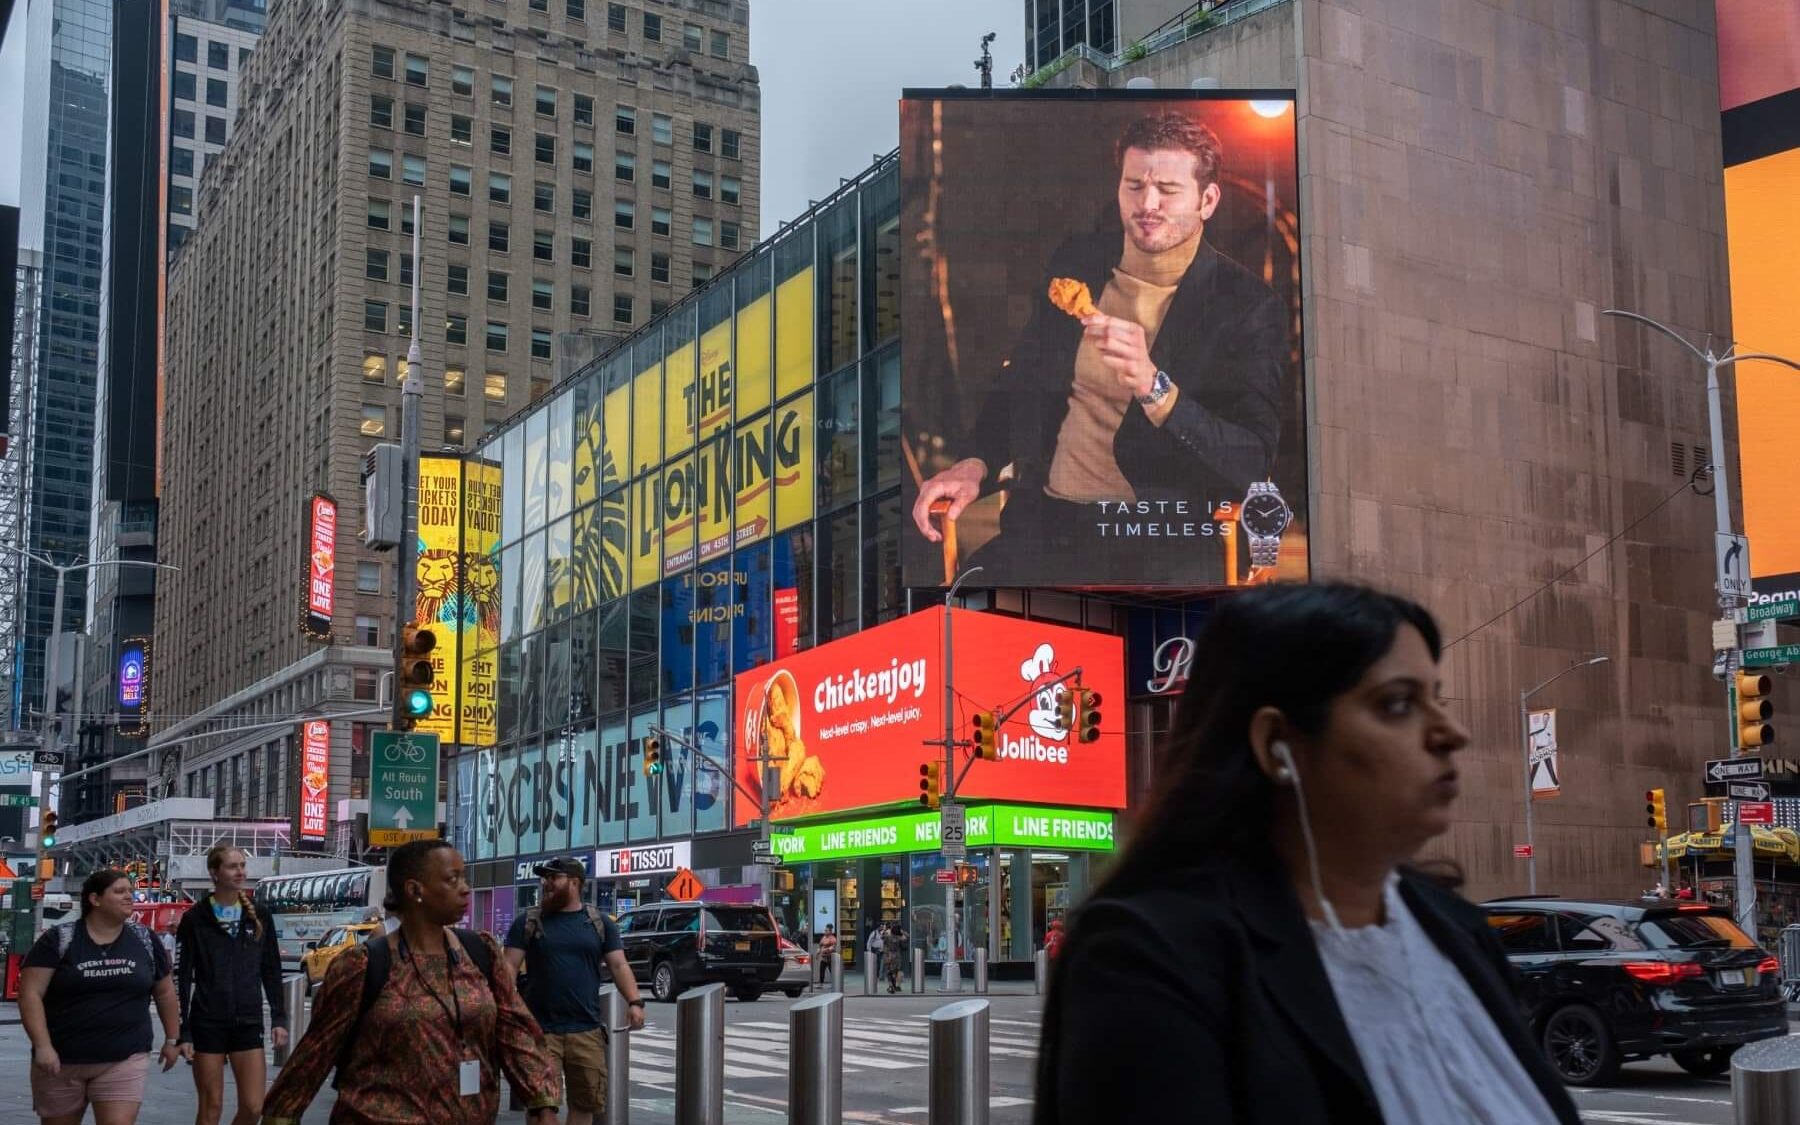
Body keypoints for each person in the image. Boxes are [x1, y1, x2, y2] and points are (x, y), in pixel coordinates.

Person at [1035, 583, 1582, 1124]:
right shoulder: (1149, 957)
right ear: (1278, 743)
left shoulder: (1459, 931)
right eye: (1397, 704)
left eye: (1437, 699)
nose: (1451, 733)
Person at [912, 111, 1290, 585]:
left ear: (1206, 200)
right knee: (965, 602)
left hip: (1163, 541)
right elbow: (1022, 379)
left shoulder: (1248, 307)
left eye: (1168, 190)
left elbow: (1251, 457)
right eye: (1134, 185)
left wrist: (1157, 390)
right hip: (1047, 527)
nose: (1147, 203)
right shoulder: (1080, 262)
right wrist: (975, 462)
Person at [262, 839, 562, 1125]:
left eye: (464, 878)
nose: (466, 889)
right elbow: (314, 1054)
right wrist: (281, 1113)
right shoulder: (362, 966)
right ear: (415, 890)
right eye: (452, 879)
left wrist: (542, 1103)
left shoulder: (481, 953)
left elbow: (517, 1032)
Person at [20, 868, 182, 1125]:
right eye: (119, 892)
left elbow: (164, 991)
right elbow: (30, 993)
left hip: (125, 1056)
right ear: (94, 899)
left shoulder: (145, 940)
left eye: (130, 891)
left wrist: (173, 1039)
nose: (129, 896)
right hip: (62, 1060)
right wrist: (42, 1046)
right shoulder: (59, 939)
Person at [504, 858, 646, 1125]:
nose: (546, 883)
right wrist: (507, 1012)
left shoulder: (599, 923)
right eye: (544, 878)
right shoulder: (528, 922)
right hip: (540, 1031)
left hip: (587, 1030)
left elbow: (618, 965)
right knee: (540, 1108)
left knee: (585, 1105)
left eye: (553, 878)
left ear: (574, 882)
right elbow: (508, 968)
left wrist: (635, 1002)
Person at [176, 844, 288, 1125]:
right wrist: (184, 1031)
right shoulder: (194, 919)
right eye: (232, 866)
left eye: (242, 866)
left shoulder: (259, 915)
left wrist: (278, 1016)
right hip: (207, 1022)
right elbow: (183, 976)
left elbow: (271, 968)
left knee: (253, 1106)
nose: (240, 872)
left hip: (248, 1021)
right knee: (211, 1106)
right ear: (214, 873)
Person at [881, 923, 908, 994]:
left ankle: (891, 986)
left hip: (888, 955)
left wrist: (885, 930)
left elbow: (882, 936)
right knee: (896, 971)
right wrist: (902, 931)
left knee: (889, 971)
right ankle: (895, 986)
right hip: (897, 956)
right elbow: (906, 937)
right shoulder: (899, 938)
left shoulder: (888, 937)